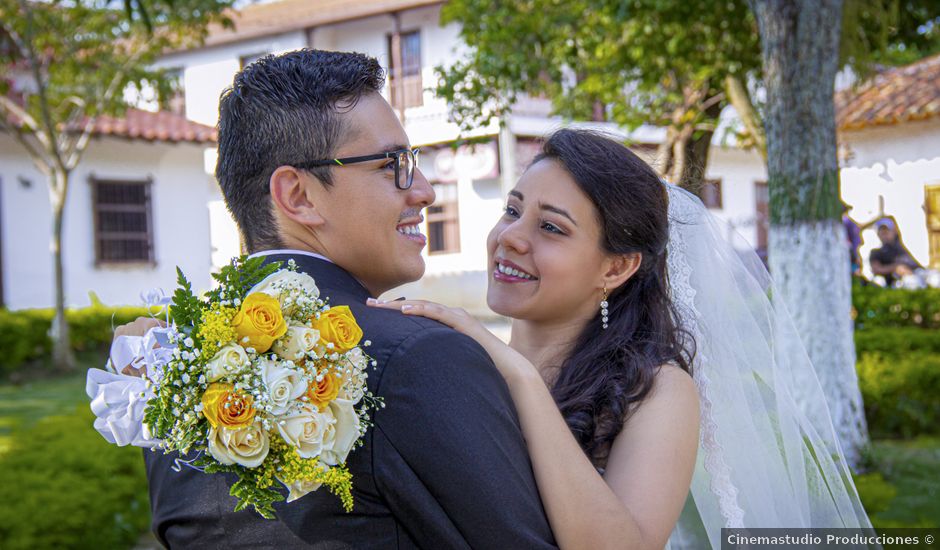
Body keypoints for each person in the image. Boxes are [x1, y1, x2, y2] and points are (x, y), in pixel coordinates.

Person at [106, 49, 557, 549]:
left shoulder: (162, 375)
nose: (425, 190)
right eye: (393, 165)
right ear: (298, 196)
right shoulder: (419, 358)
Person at [369, 129, 873, 548]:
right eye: (512, 210)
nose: (512, 237)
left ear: (617, 266)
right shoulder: (456, 363)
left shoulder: (656, 390)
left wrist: (521, 379)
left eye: (551, 227)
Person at [869, 217, 921, 287]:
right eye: (883, 233)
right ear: (878, 234)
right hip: (892, 281)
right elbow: (876, 269)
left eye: (887, 232)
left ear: (894, 231)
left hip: (913, 275)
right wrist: (895, 268)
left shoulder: (905, 247)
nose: (885, 235)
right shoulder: (876, 252)